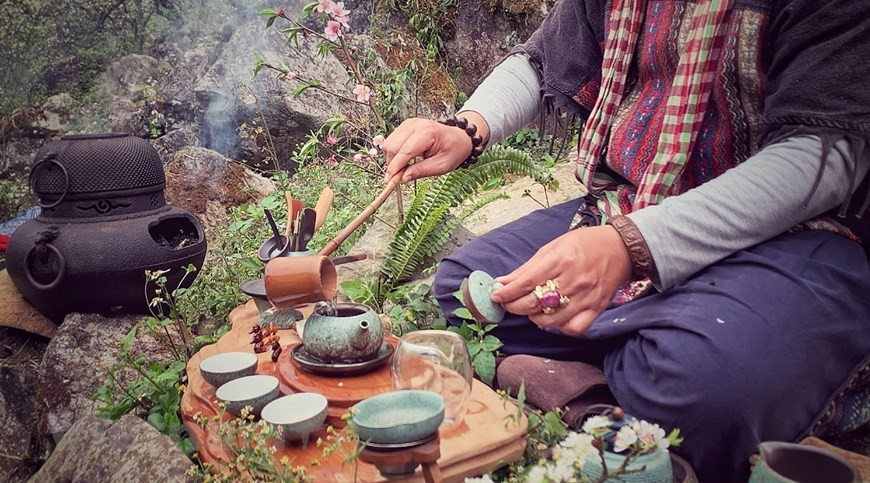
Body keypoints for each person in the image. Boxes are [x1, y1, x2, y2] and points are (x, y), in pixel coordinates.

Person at [382, 0, 870, 480]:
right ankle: (616, 378)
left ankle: (630, 365)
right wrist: (466, 129)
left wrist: (631, 246)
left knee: (696, 387)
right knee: (469, 287)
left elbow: (821, 153)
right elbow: (541, 61)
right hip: (638, 199)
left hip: (799, 233)